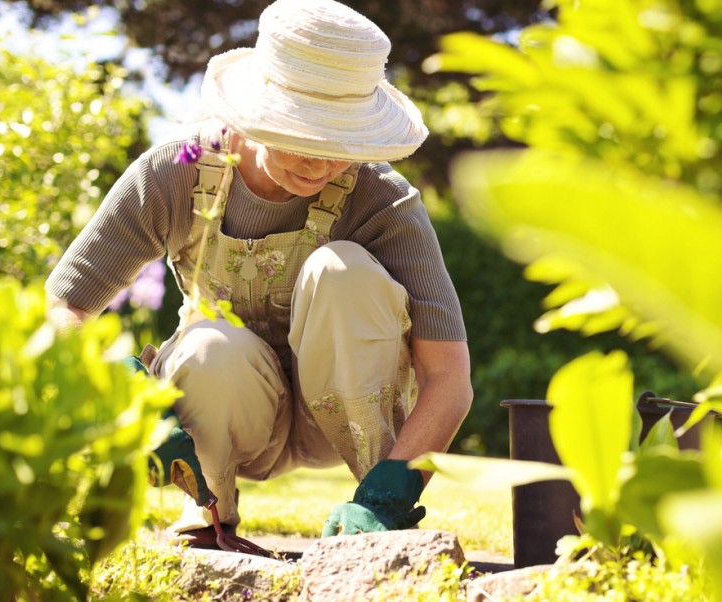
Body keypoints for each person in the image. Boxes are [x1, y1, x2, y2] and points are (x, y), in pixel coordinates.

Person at [45, 0, 472, 544]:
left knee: (343, 272)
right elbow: (64, 308)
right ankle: (209, 510)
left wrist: (396, 487)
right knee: (208, 346)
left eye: (341, 143)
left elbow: (449, 377)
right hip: (223, 412)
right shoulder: (175, 174)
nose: (322, 165)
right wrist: (119, 391)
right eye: (303, 138)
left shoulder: (381, 200)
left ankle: (370, 522)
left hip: (343, 417)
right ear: (255, 114)